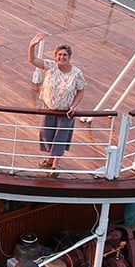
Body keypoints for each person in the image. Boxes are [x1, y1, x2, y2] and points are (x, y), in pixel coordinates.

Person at [29, 32, 86, 169]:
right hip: (49, 107)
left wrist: (73, 106)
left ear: (69, 57)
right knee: (47, 134)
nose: (62, 57)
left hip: (65, 111)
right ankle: (50, 159)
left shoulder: (76, 73)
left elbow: (81, 90)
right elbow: (32, 60)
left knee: (60, 137)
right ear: (55, 57)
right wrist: (32, 46)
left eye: (65, 55)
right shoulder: (50, 66)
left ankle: (55, 164)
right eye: (59, 55)